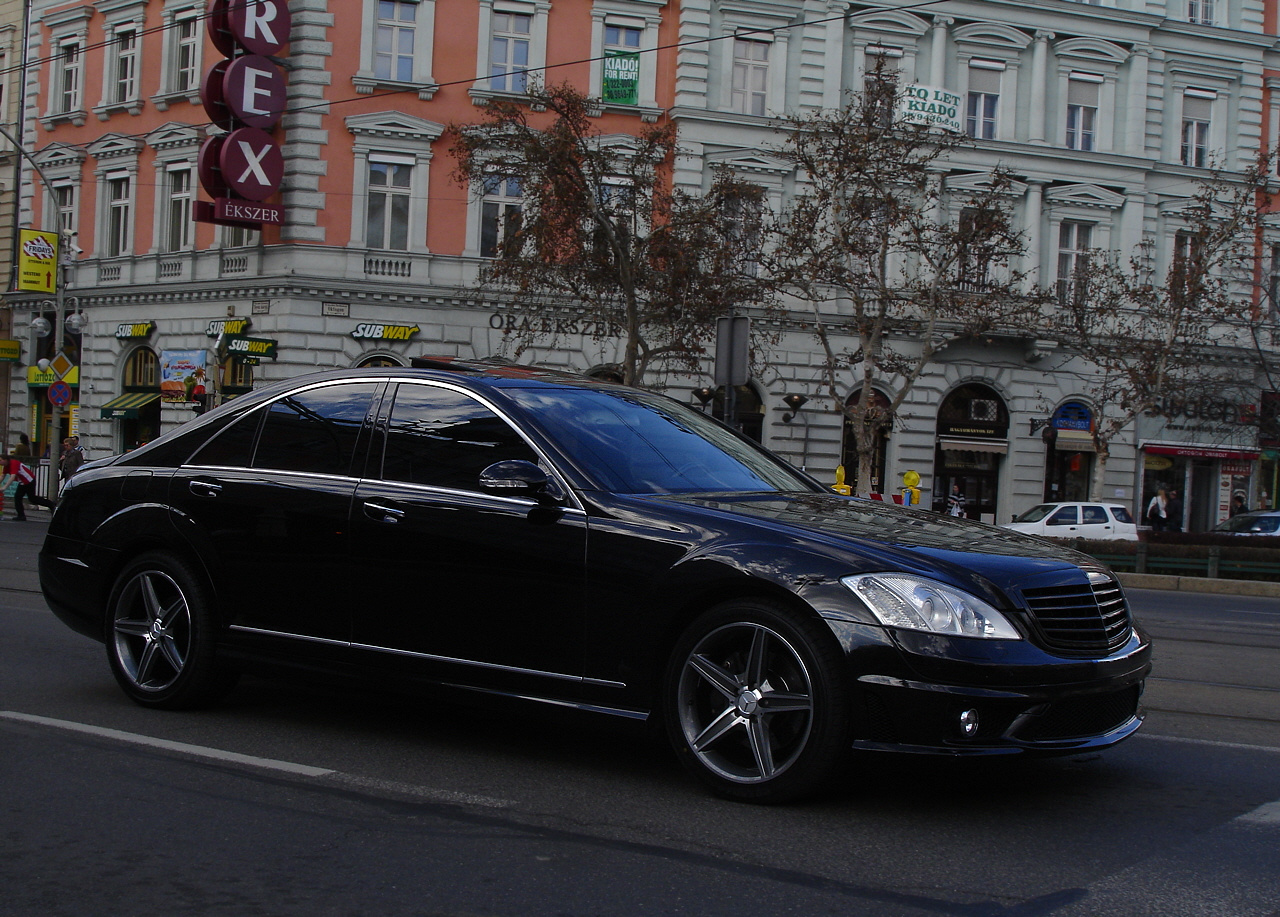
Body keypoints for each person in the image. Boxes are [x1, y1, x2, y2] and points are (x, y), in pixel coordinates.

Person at [1, 454, 55, 521]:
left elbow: (12, 477)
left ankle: (51, 504)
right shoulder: (6, 466)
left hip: (29, 481)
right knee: (19, 497)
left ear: (5, 460)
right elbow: (2, 476)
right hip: (23, 482)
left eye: (0, 460)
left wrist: (4, 487)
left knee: (31, 499)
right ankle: (21, 515)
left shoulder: (13, 463)